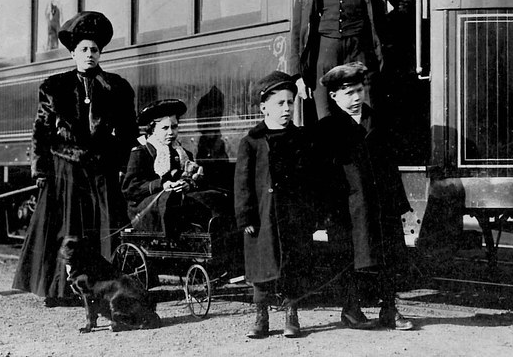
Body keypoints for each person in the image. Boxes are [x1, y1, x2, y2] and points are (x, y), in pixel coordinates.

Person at [12, 11, 137, 307]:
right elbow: (41, 133)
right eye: (83, 49)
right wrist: (41, 170)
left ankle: (106, 289)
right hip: (64, 172)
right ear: (72, 54)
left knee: (102, 229)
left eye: (94, 49)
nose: (89, 54)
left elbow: (129, 131)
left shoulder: (117, 86)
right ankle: (61, 291)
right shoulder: (53, 87)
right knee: (65, 231)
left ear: (100, 52)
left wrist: (115, 161)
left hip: (100, 171)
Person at [316, 62, 415, 331]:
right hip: (349, 208)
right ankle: (350, 309)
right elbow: (325, 176)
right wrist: (329, 212)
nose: (357, 98)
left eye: (359, 90)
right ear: (334, 97)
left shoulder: (376, 121)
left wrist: (398, 204)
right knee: (349, 257)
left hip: (382, 205)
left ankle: (389, 310)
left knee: (388, 255)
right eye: (348, 93)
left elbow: (391, 166)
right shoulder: (327, 129)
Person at [234, 71, 315, 339]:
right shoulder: (252, 142)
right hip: (263, 216)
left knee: (293, 263)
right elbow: (243, 184)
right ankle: (261, 317)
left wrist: (310, 214)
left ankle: (292, 314)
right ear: (263, 107)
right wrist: (245, 217)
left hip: (292, 216)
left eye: (290, 102)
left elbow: (308, 180)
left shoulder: (300, 139)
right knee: (261, 266)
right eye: (280, 103)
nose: (287, 109)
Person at [121, 98, 227, 236]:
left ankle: (210, 236)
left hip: (176, 200)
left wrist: (188, 184)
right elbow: (130, 189)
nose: (171, 132)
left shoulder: (183, 153)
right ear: (152, 129)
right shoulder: (142, 153)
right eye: (165, 128)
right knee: (171, 198)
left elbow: (190, 179)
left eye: (174, 127)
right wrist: (163, 184)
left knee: (214, 196)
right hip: (146, 209)